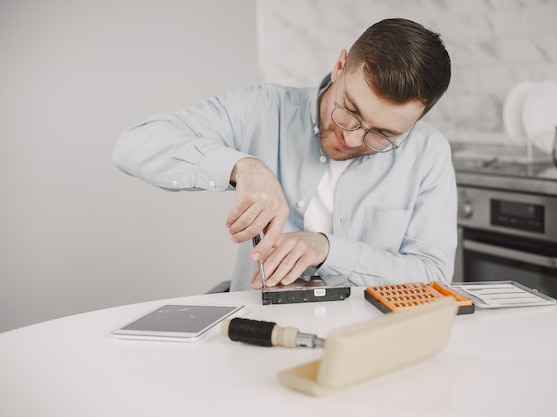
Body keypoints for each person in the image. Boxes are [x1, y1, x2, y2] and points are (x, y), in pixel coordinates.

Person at [113, 18, 456, 292]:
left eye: (383, 134)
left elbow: (434, 276)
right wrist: (242, 166)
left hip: (372, 343)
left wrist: (328, 250)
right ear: (340, 66)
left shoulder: (428, 153)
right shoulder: (261, 108)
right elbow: (134, 145)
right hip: (258, 329)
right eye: (349, 110)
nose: (352, 139)